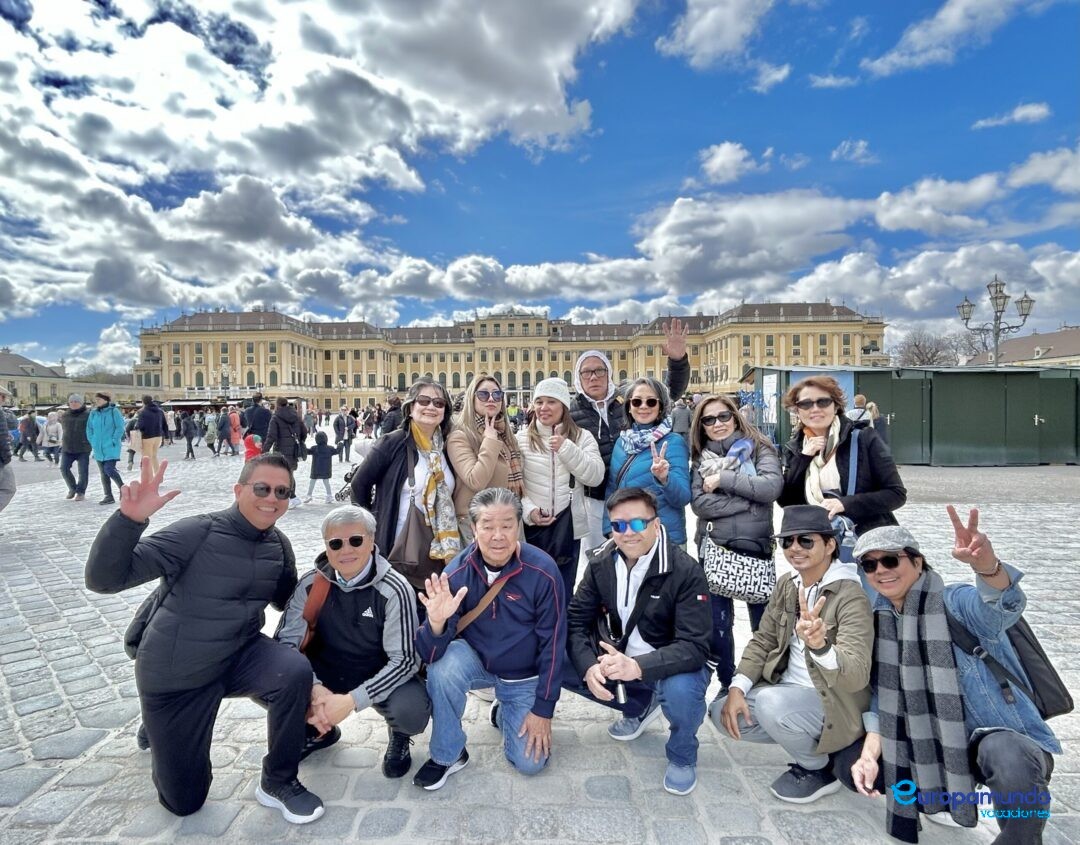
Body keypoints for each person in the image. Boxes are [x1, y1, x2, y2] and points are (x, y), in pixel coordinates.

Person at [84, 455, 324, 823]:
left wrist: (337, 575)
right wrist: (129, 521)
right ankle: (159, 725)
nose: (272, 498)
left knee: (292, 670)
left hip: (239, 654)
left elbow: (286, 601)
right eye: (262, 488)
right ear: (239, 490)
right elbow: (105, 579)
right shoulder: (196, 532)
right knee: (184, 802)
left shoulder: (278, 545)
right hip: (178, 673)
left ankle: (279, 780)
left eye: (283, 491)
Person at [840, 511, 1061, 844]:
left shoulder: (953, 603)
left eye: (890, 560)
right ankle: (942, 796)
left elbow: (1000, 606)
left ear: (917, 562)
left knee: (1006, 754)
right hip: (934, 745)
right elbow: (883, 702)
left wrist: (987, 567)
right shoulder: (884, 624)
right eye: (870, 566)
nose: (881, 571)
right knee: (848, 764)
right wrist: (869, 758)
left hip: (993, 737)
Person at [714, 504, 873, 804]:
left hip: (833, 699)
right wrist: (737, 688)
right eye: (787, 541)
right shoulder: (788, 584)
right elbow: (763, 639)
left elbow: (856, 675)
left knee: (771, 704)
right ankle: (812, 738)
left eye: (806, 540)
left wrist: (821, 647)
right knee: (720, 713)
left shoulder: (851, 596)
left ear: (830, 545)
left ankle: (819, 768)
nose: (795, 548)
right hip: (787, 692)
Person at [413, 487, 567, 790]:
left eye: (507, 525)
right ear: (474, 529)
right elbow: (430, 656)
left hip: (523, 675)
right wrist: (436, 622)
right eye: (488, 526)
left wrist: (543, 710)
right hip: (478, 662)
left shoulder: (543, 571)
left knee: (530, 764)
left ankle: (505, 709)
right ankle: (449, 753)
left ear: (518, 527)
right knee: (443, 668)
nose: (498, 535)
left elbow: (554, 643)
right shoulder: (457, 573)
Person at [563, 487, 712, 795]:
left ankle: (682, 754)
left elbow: (695, 647)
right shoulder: (601, 563)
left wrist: (638, 667)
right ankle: (640, 706)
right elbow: (575, 620)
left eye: (637, 524)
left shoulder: (685, 570)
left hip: (668, 665)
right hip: (619, 659)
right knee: (556, 658)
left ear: (656, 525)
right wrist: (588, 665)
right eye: (618, 525)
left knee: (681, 690)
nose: (627, 533)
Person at [275, 505, 430, 778]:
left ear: (371, 542)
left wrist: (351, 701)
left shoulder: (395, 589)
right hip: (326, 673)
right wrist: (314, 689)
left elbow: (405, 659)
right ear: (326, 546)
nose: (346, 550)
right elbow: (286, 642)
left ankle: (400, 735)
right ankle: (318, 730)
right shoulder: (311, 584)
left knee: (411, 712)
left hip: (379, 672)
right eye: (336, 543)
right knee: (272, 681)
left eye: (356, 540)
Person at [569, 319, 690, 558]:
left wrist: (677, 362)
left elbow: (665, 392)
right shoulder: (570, 411)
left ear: (609, 373)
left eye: (599, 370)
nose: (593, 377)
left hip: (647, 507)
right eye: (586, 372)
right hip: (595, 500)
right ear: (578, 377)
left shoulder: (626, 397)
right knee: (603, 566)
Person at [689, 393, 783, 701]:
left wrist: (724, 479)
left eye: (723, 416)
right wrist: (747, 501)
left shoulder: (760, 448)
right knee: (718, 626)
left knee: (763, 625)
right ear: (700, 426)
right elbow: (700, 505)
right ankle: (728, 681)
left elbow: (770, 488)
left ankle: (761, 682)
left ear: (735, 416)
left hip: (754, 548)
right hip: (714, 548)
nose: (717, 424)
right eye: (708, 420)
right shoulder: (700, 458)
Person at [349, 378, 459, 590]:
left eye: (439, 403)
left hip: (437, 552)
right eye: (424, 401)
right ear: (410, 408)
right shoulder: (393, 442)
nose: (431, 407)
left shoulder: (445, 447)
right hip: (396, 550)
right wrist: (372, 526)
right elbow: (359, 486)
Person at [778, 375, 906, 539]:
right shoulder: (795, 447)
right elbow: (787, 502)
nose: (815, 408)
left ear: (836, 405)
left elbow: (896, 494)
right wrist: (803, 459)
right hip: (817, 544)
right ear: (797, 410)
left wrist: (845, 504)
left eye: (823, 402)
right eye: (806, 404)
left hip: (864, 542)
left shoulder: (864, 439)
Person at [516, 378, 604, 605]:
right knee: (532, 592)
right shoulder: (521, 439)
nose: (543, 408)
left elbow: (595, 476)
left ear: (564, 406)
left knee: (564, 590)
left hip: (569, 527)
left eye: (551, 402)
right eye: (539, 402)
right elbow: (515, 487)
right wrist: (529, 511)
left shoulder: (582, 437)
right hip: (533, 528)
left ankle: (562, 637)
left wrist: (566, 448)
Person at [604, 377, 691, 548]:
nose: (643, 406)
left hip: (664, 540)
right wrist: (609, 529)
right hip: (628, 537)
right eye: (637, 401)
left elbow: (682, 498)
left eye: (651, 402)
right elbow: (612, 491)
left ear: (660, 407)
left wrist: (664, 479)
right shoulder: (622, 443)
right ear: (629, 407)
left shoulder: (673, 442)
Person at [446, 375, 525, 544]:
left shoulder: (506, 436)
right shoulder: (460, 436)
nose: (491, 399)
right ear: (471, 398)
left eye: (497, 395)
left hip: (509, 521)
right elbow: (475, 480)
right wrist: (489, 441)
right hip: (478, 526)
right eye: (483, 394)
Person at [263, 398, 308, 508]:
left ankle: (292, 497)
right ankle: (292, 497)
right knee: (290, 473)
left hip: (281, 451)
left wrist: (265, 449)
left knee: (284, 474)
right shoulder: (296, 416)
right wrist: (299, 442)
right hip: (293, 450)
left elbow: (271, 436)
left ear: (277, 405)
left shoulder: (276, 417)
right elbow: (304, 432)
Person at [86, 391, 126, 505]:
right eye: (96, 399)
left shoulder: (114, 411)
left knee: (109, 469)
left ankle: (123, 489)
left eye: (99, 399)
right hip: (98, 447)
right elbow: (89, 428)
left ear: (106, 400)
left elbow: (120, 427)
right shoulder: (93, 413)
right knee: (103, 473)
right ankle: (108, 496)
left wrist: (114, 439)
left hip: (111, 446)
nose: (96, 401)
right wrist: (92, 440)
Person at [60, 393, 92, 502]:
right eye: (71, 402)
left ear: (81, 403)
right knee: (64, 468)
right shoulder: (65, 415)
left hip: (83, 447)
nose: (73, 403)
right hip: (67, 447)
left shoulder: (88, 415)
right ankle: (72, 488)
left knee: (83, 471)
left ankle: (81, 492)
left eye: (76, 401)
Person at [303, 431, 339, 503]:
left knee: (312, 482)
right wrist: (340, 444)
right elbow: (337, 451)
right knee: (326, 482)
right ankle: (329, 496)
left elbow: (307, 451)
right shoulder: (330, 448)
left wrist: (302, 445)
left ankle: (309, 495)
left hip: (315, 469)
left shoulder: (314, 448)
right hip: (326, 470)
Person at [137, 395, 166, 474]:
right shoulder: (160, 411)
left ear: (143, 402)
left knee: (147, 459)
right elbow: (164, 424)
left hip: (147, 437)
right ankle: (158, 476)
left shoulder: (142, 411)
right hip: (158, 436)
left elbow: (140, 425)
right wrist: (166, 436)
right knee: (154, 456)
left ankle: (149, 479)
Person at [0, 400, 14, 515]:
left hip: (4, 457)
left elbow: (14, 424)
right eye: (1, 396)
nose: (3, 399)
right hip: (3, 457)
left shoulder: (2, 412)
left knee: (9, 488)